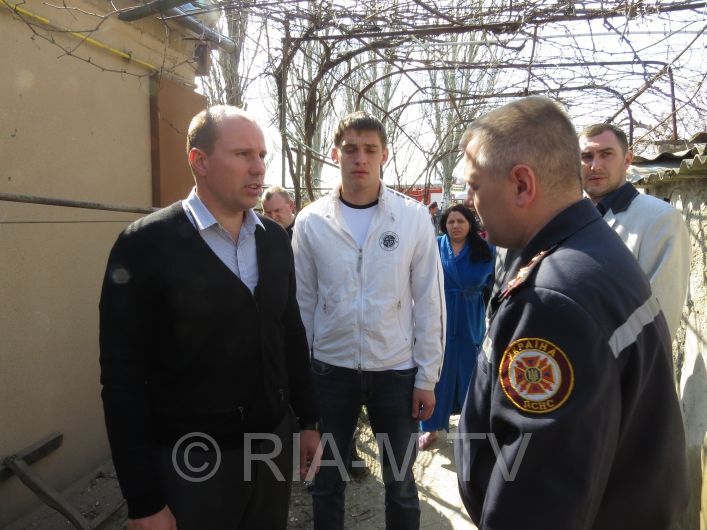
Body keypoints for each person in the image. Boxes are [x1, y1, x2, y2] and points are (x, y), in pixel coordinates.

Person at [455, 96, 688, 529]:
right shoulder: (588, 248)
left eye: (475, 185)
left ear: (522, 185)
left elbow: (539, 500)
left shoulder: (553, 300)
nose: (470, 202)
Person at [99, 106, 320, 530]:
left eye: (262, 155)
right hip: (192, 463)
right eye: (242, 155)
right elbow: (122, 379)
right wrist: (143, 500)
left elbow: (289, 333)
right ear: (199, 161)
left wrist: (308, 419)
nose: (258, 168)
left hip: (269, 448)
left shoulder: (273, 241)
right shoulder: (144, 245)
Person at [292, 111, 445, 530]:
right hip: (329, 372)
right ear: (335, 154)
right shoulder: (311, 222)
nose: (360, 158)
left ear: (384, 156)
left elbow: (429, 299)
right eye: (351, 149)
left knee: (400, 483)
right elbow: (301, 303)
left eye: (370, 150)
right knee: (326, 481)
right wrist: (302, 381)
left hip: (394, 371)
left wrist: (426, 377)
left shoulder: (412, 218)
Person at [579, 123, 690, 340]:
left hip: (624, 368)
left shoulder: (660, 219)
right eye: (586, 156)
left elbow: (660, 316)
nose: (595, 166)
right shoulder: (573, 221)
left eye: (606, 154)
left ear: (627, 160)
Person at [418, 204, 494, 450]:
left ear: (470, 223)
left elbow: (492, 283)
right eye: (451, 222)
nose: (456, 226)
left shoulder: (484, 248)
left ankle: (470, 427)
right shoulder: (434, 246)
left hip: (470, 317)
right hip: (439, 316)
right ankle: (430, 429)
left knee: (471, 374)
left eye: (461, 221)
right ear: (444, 225)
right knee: (435, 374)